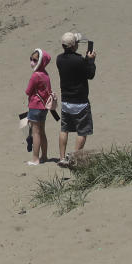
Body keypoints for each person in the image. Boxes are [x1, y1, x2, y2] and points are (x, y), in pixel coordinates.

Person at [56, 32, 96, 167]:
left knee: (64, 129)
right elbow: (90, 74)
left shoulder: (59, 59)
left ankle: (62, 158)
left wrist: (85, 60)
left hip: (66, 101)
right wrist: (90, 60)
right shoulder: (79, 60)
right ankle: (74, 158)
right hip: (80, 101)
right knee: (82, 131)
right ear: (74, 45)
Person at [25, 49, 53, 165]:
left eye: (35, 60)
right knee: (42, 131)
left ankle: (35, 158)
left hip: (35, 106)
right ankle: (44, 156)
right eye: (31, 59)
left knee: (35, 132)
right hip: (44, 108)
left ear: (41, 61)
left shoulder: (35, 75)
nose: (32, 62)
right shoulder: (45, 74)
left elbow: (28, 91)